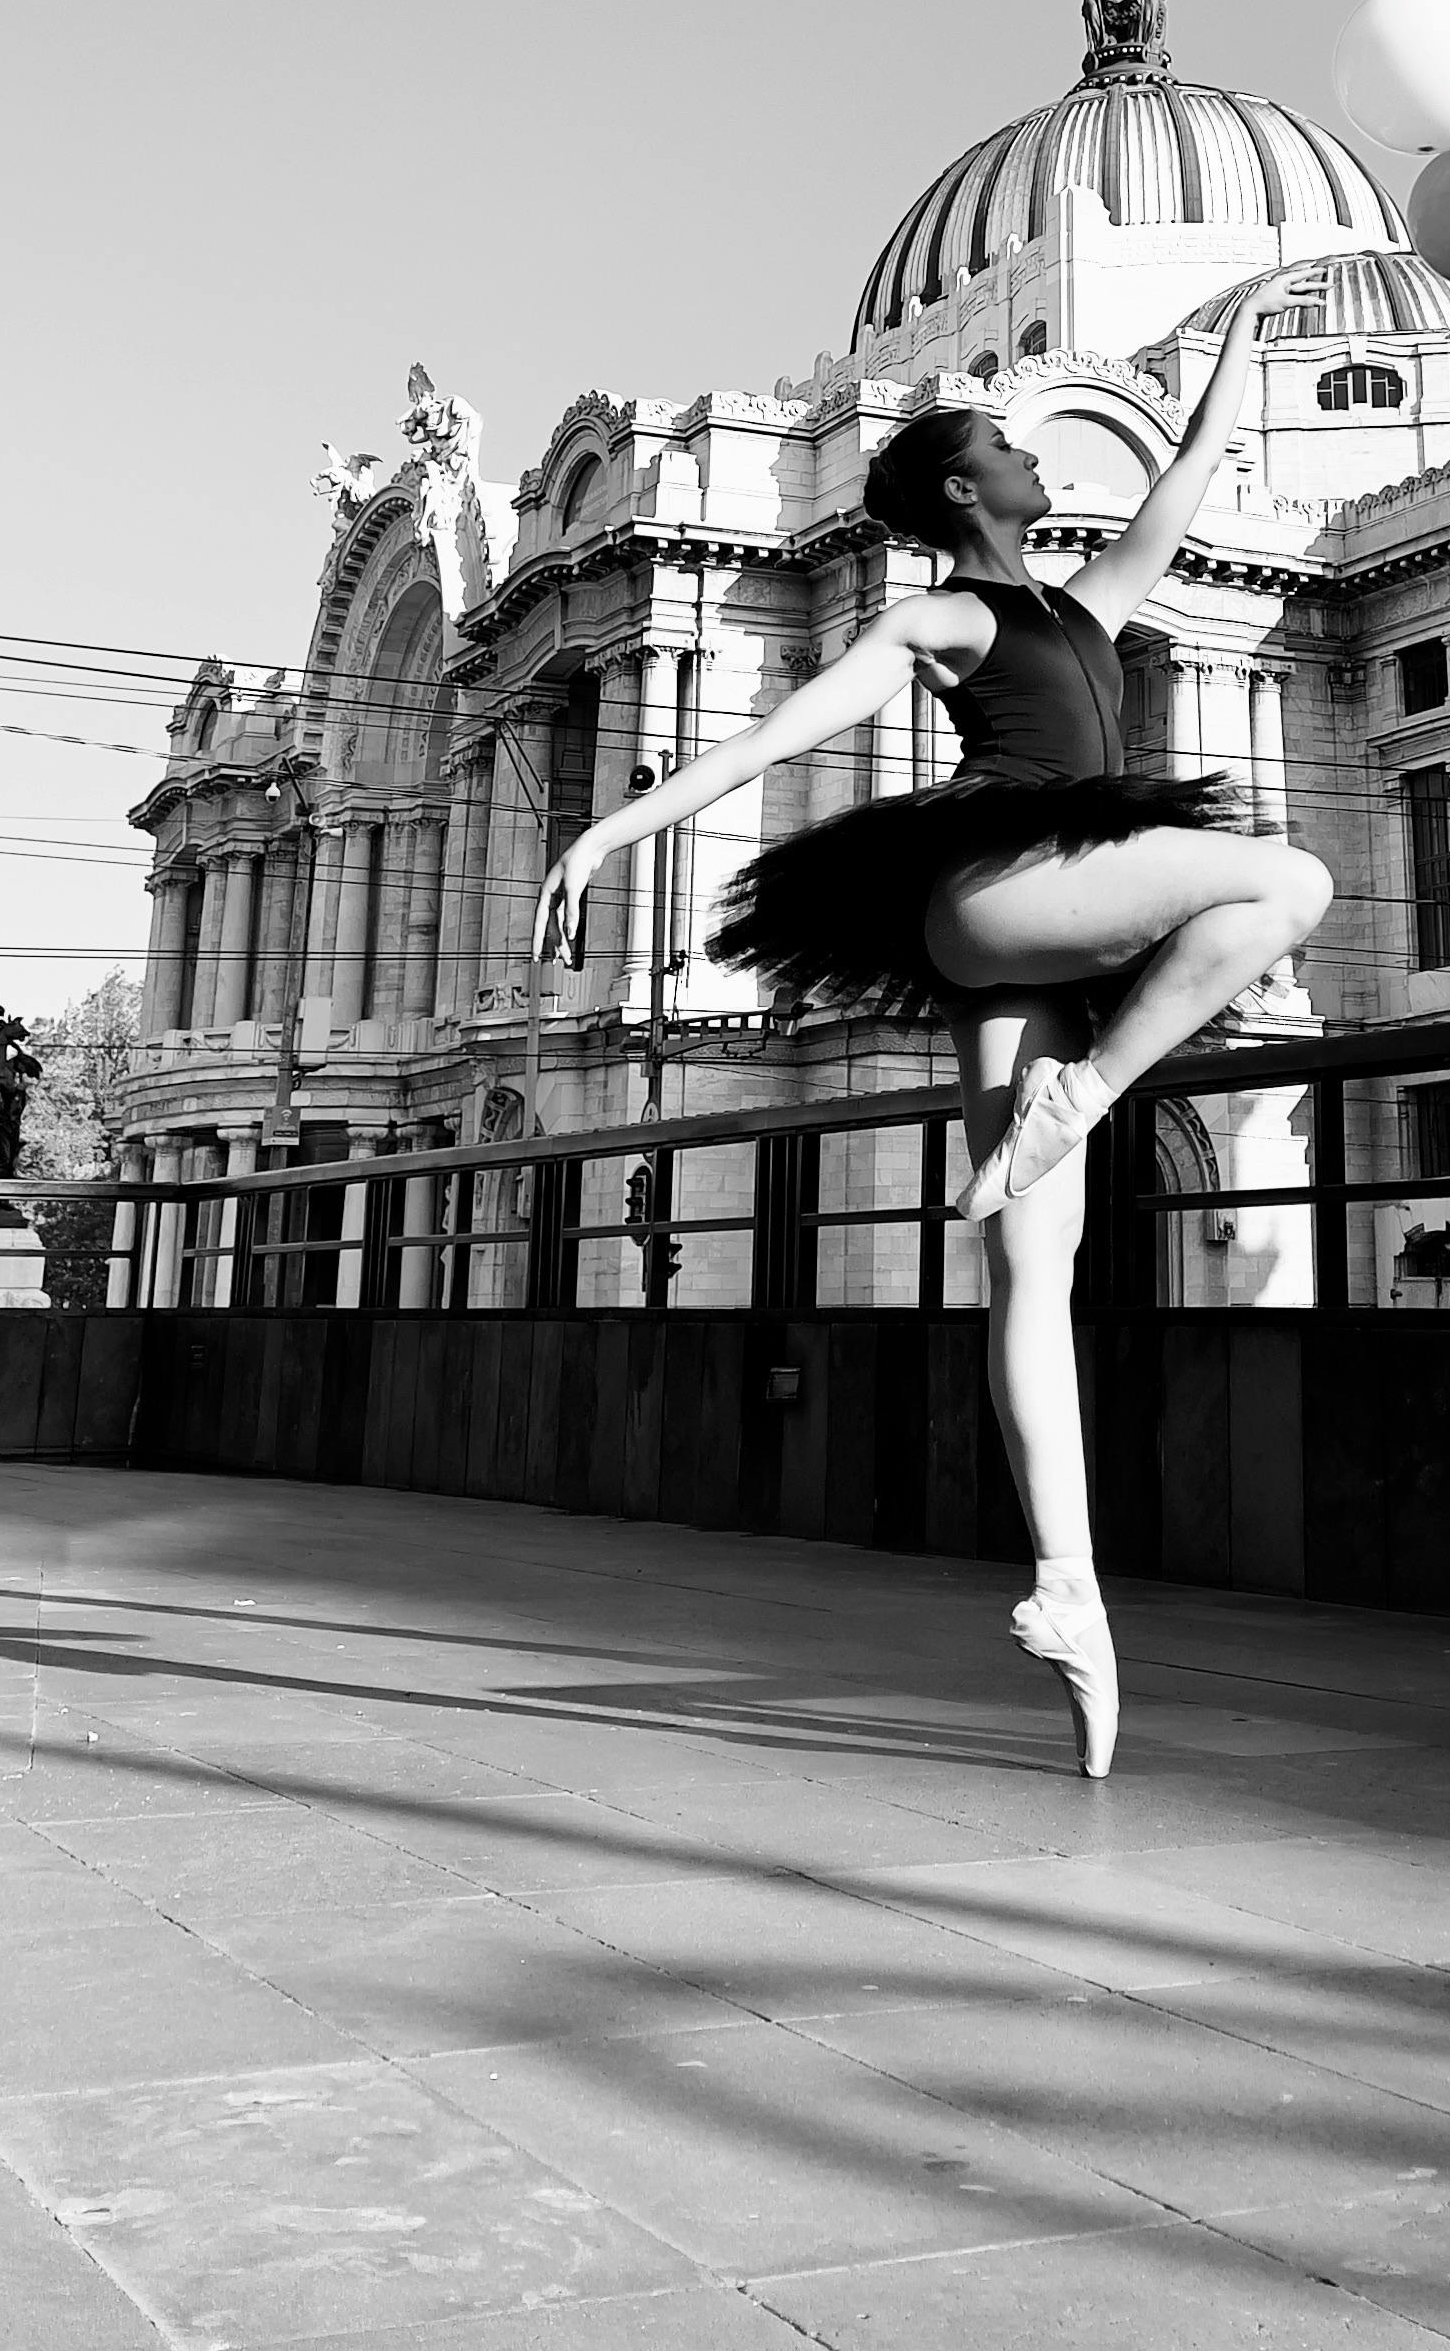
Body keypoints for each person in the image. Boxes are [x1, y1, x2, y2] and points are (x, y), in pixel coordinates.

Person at [533, 267, 1333, 1779]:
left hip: (1026, 950)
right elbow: (775, 733)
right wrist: (607, 837)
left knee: (1035, 1272)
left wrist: (1241, 342)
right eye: (1022, 451)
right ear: (972, 486)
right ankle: (1087, 1091)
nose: (1050, 469)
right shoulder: (953, 616)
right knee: (1289, 881)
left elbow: (1186, 476)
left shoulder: (1086, 606)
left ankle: (1071, 1596)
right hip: (997, 891)